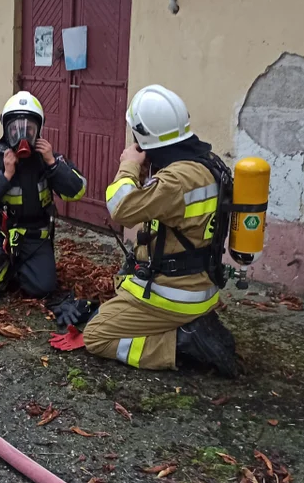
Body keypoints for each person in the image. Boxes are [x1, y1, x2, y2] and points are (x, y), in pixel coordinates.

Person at [53, 84, 238, 377]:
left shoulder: (176, 180)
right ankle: (187, 325)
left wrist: (129, 166)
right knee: (115, 298)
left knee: (97, 334)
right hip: (201, 286)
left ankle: (183, 341)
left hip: (174, 296)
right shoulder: (207, 165)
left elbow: (121, 208)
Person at [0, 91, 87, 301]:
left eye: (29, 128)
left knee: (43, 288)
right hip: (0, 230)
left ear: (38, 130)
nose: (22, 135)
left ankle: (20, 269)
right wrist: (5, 175)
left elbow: (77, 191)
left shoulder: (48, 159)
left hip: (34, 235)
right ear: (6, 129)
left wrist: (53, 164)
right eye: (16, 129)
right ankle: (1, 276)